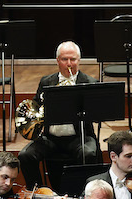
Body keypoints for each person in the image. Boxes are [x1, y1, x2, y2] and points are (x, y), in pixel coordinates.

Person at [17, 41, 100, 189]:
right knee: (25, 155)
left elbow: (98, 114)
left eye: (73, 59)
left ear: (79, 60)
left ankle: (84, 193)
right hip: (50, 138)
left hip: (79, 137)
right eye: (64, 59)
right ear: (57, 61)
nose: (69, 63)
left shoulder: (89, 82)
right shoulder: (46, 82)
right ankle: (39, 194)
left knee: (89, 153)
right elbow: (36, 106)